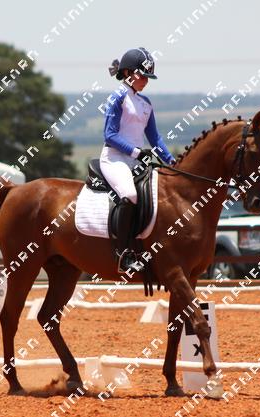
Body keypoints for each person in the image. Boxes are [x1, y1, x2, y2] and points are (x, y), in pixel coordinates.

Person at [101, 47, 175, 273]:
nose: (146, 81)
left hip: (136, 160)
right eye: (142, 75)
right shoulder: (117, 97)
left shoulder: (145, 103)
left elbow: (155, 138)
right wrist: (136, 152)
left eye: (148, 77)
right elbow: (110, 135)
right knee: (130, 195)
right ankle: (122, 253)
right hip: (115, 159)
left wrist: (172, 161)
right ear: (127, 73)